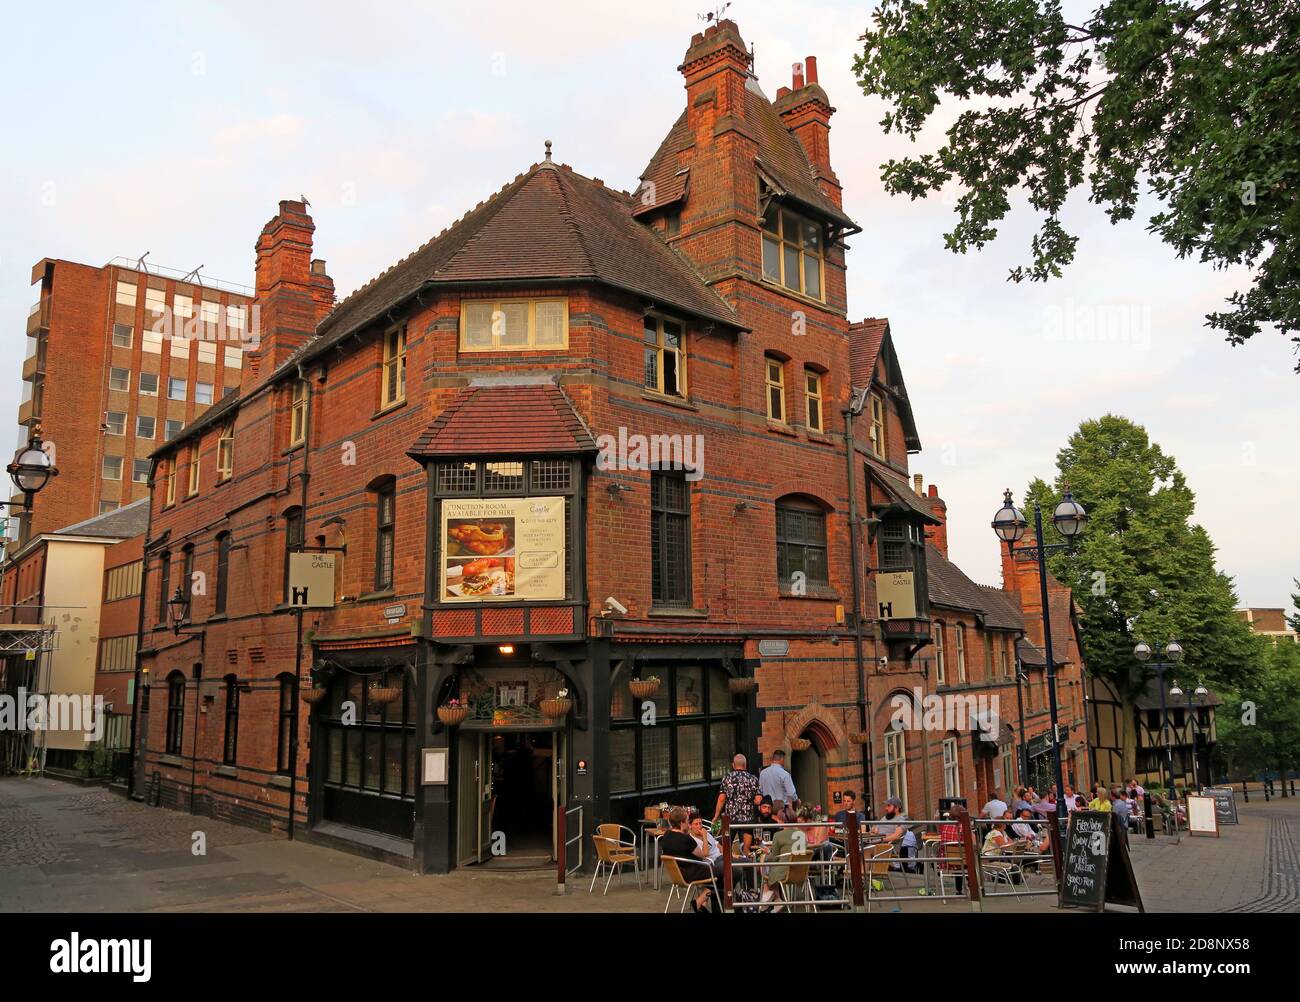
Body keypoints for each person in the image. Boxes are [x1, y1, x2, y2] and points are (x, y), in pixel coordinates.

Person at [659, 807, 716, 912]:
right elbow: (703, 854)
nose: (687, 824)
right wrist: (704, 836)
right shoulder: (686, 839)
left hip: (676, 874)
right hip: (689, 873)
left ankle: (702, 907)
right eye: (687, 821)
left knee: (713, 872)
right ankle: (698, 903)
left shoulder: (666, 835)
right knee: (721, 873)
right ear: (682, 823)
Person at [713, 754, 759, 852]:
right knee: (746, 849)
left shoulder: (727, 778)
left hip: (730, 819)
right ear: (745, 765)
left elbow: (721, 799)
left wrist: (716, 816)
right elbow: (758, 800)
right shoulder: (753, 779)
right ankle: (748, 866)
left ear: (733, 765)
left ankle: (728, 866)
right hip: (747, 819)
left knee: (725, 847)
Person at [759, 818, 802, 912]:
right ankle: (777, 900)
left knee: (766, 861)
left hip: (786, 872)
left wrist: (767, 853)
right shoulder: (802, 835)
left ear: (782, 821)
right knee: (774, 866)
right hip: (801, 872)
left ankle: (767, 892)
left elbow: (774, 857)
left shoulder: (778, 835)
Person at [872, 796, 918, 871]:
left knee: (862, 852)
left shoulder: (901, 819)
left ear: (897, 808)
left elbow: (896, 836)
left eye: (889, 806)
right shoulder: (885, 818)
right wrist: (874, 831)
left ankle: (862, 878)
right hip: (875, 843)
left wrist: (881, 839)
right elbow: (875, 829)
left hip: (886, 846)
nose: (886, 808)